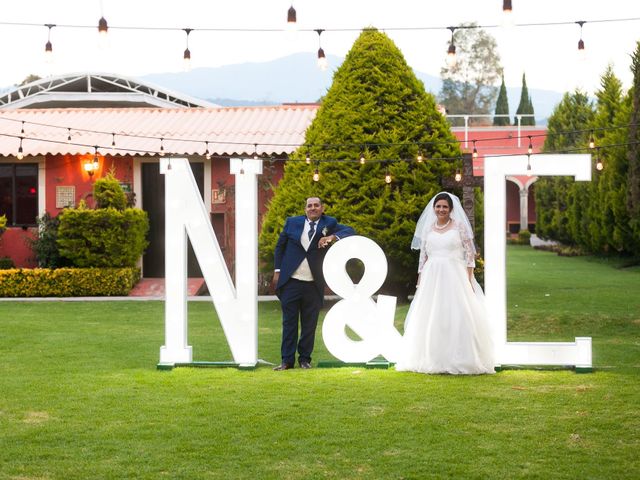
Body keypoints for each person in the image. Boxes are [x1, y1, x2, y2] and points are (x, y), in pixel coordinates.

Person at [395, 192, 494, 375]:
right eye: (438, 206)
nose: (441, 210)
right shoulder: (428, 229)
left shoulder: (459, 228)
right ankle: (431, 358)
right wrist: (419, 279)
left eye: (445, 207)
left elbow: (470, 253)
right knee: (430, 314)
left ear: (451, 209)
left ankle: (460, 357)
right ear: (434, 208)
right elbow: (422, 256)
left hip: (454, 274)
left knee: (457, 314)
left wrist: (469, 277)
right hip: (431, 275)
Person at [272, 196, 355, 370]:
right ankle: (287, 361)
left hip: (313, 283)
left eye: (316, 205)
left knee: (309, 324)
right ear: (305, 209)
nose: (313, 208)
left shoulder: (329, 223)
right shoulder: (292, 223)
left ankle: (304, 360)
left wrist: (332, 236)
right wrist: (277, 271)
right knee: (289, 323)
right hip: (291, 281)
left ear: (322, 208)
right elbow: (280, 247)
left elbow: (350, 230)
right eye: (309, 206)